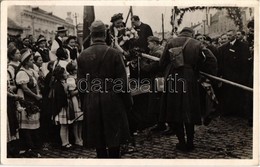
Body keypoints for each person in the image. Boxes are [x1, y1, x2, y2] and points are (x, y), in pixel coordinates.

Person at [77, 20, 132, 158]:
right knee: (114, 138)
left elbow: (81, 84)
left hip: (92, 100)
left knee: (98, 140)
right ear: (105, 33)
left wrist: (85, 103)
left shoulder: (83, 55)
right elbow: (122, 83)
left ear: (91, 35)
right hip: (113, 99)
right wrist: (128, 102)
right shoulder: (114, 53)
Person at [159, 27, 217, 151]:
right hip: (190, 79)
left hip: (174, 79)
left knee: (175, 111)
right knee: (188, 110)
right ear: (192, 34)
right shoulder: (197, 43)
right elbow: (212, 59)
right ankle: (190, 142)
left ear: (180, 33)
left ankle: (181, 142)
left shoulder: (170, 42)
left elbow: (162, 63)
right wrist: (200, 70)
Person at [218, 29, 251, 117]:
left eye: (230, 35)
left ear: (235, 35)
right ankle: (228, 111)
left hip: (238, 75)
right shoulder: (224, 47)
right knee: (228, 93)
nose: (229, 37)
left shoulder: (243, 46)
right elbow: (222, 62)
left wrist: (243, 76)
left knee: (238, 94)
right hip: (227, 75)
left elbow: (244, 63)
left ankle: (239, 111)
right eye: (227, 35)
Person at [15, 49, 42, 157]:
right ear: (26, 62)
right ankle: (29, 147)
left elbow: (36, 85)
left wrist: (38, 93)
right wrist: (36, 96)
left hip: (33, 100)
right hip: (26, 99)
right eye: (31, 60)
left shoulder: (31, 71)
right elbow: (25, 88)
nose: (33, 62)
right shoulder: (22, 72)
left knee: (33, 124)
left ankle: (33, 146)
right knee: (27, 125)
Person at [139, 36, 166, 132]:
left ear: (154, 43)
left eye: (149, 43)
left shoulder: (158, 53)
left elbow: (149, 68)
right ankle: (161, 124)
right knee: (159, 102)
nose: (148, 45)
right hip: (160, 79)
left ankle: (162, 125)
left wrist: (141, 61)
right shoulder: (158, 51)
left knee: (158, 102)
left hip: (158, 80)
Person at [52, 66, 74, 149]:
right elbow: (60, 98)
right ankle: (64, 143)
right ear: (60, 75)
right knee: (63, 126)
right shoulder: (58, 85)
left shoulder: (63, 83)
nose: (66, 74)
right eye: (64, 73)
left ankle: (67, 141)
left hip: (65, 106)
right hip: (62, 108)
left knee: (66, 126)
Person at [66, 61, 83, 146]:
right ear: (71, 71)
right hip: (74, 100)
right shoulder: (70, 79)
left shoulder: (76, 77)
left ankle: (80, 137)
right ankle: (77, 138)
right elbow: (71, 93)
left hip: (79, 99)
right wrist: (80, 89)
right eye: (75, 69)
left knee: (80, 120)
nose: (77, 70)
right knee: (76, 121)